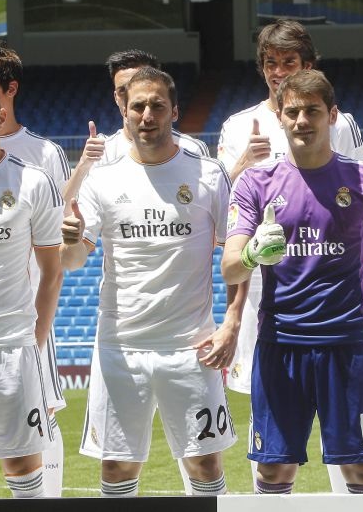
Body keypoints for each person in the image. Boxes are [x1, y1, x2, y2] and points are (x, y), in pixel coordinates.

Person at [221, 69, 363, 495]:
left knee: (361, 470)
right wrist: (252, 254)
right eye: (292, 112)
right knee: (273, 471)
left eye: (312, 111)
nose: (302, 120)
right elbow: (230, 267)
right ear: (280, 118)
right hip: (280, 344)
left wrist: (362, 318)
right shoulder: (255, 182)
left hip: (347, 347)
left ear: (332, 116)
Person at [60, 67, 236, 497]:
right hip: (120, 348)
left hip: (191, 347)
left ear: (174, 111)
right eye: (138, 105)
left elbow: (236, 255)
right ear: (124, 111)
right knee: (117, 467)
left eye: (157, 105)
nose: (147, 115)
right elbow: (72, 261)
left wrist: (231, 321)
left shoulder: (209, 175)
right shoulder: (103, 178)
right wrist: (71, 239)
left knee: (204, 463)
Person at [216, 20, 363, 492]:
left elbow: (357, 201)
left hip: (332, 292)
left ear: (309, 65)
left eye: (288, 62)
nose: (278, 71)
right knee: (269, 430)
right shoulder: (237, 125)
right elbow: (222, 224)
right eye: (270, 63)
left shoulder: (339, 122)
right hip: (267, 292)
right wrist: (242, 165)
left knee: (348, 437)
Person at [0, 42, 69, 496]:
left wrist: (35, 340)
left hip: (15, 337)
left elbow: (53, 267)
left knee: (25, 457)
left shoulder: (34, 173)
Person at [65, 50, 209, 202]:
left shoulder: (192, 148)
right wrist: (83, 165)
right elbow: (65, 208)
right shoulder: (102, 151)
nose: (132, 95)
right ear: (116, 97)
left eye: (140, 85)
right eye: (123, 90)